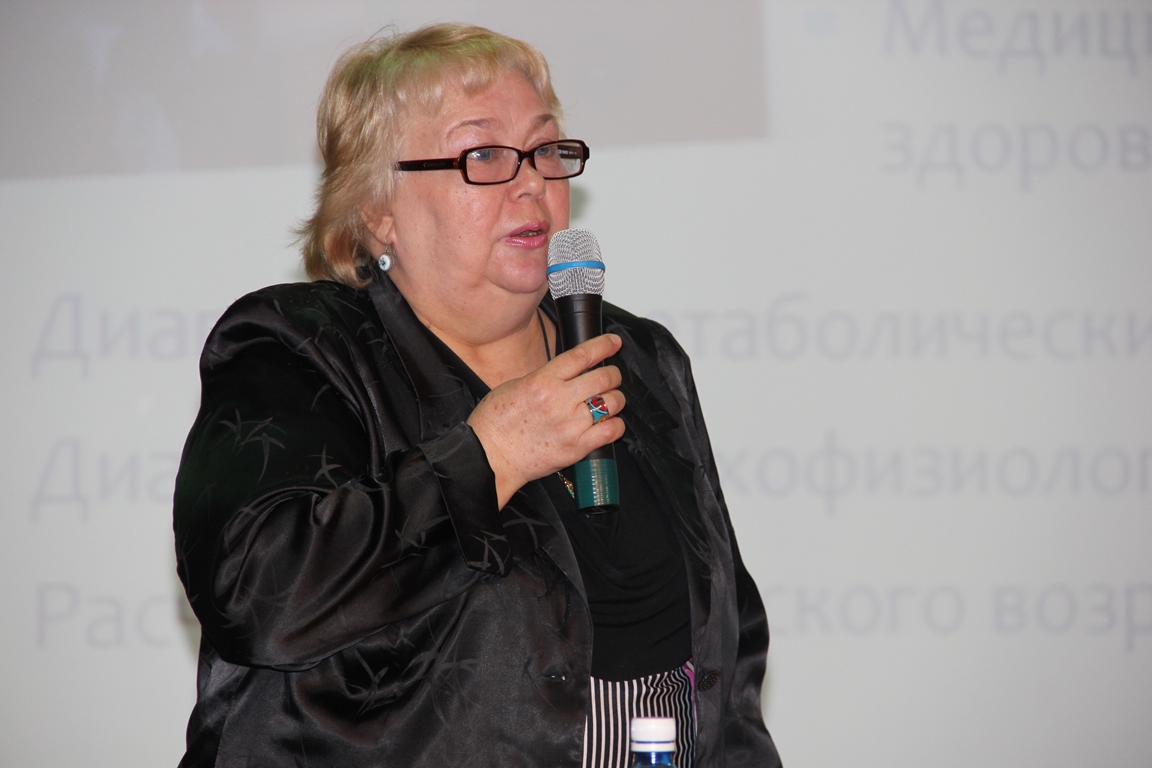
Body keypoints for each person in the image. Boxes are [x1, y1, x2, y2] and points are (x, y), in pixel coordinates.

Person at [173, 23, 781, 768]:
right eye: (484, 155)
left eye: (546, 149)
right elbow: (255, 592)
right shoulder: (298, 347)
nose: (533, 183)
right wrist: (491, 455)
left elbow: (730, 648)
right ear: (377, 208)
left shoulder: (640, 356)